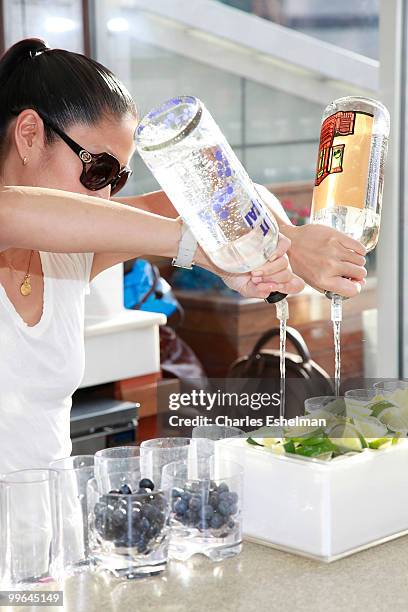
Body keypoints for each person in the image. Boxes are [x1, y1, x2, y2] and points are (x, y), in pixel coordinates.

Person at [0, 39, 366, 475]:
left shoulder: (71, 253)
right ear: (29, 134)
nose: (104, 195)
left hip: (51, 532)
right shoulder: (19, 217)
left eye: (117, 179)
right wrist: (192, 245)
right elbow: (13, 212)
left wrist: (285, 237)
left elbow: (227, 192)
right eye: (97, 169)